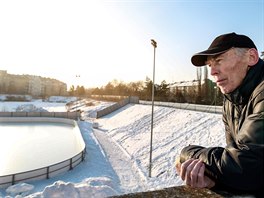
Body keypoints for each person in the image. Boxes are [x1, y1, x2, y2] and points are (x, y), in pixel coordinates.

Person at [175, 32, 264, 196]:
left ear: (251, 57)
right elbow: (236, 161)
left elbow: (245, 167)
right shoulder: (231, 100)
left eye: (219, 61)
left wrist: (188, 153)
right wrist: (215, 179)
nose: (212, 72)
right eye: (210, 65)